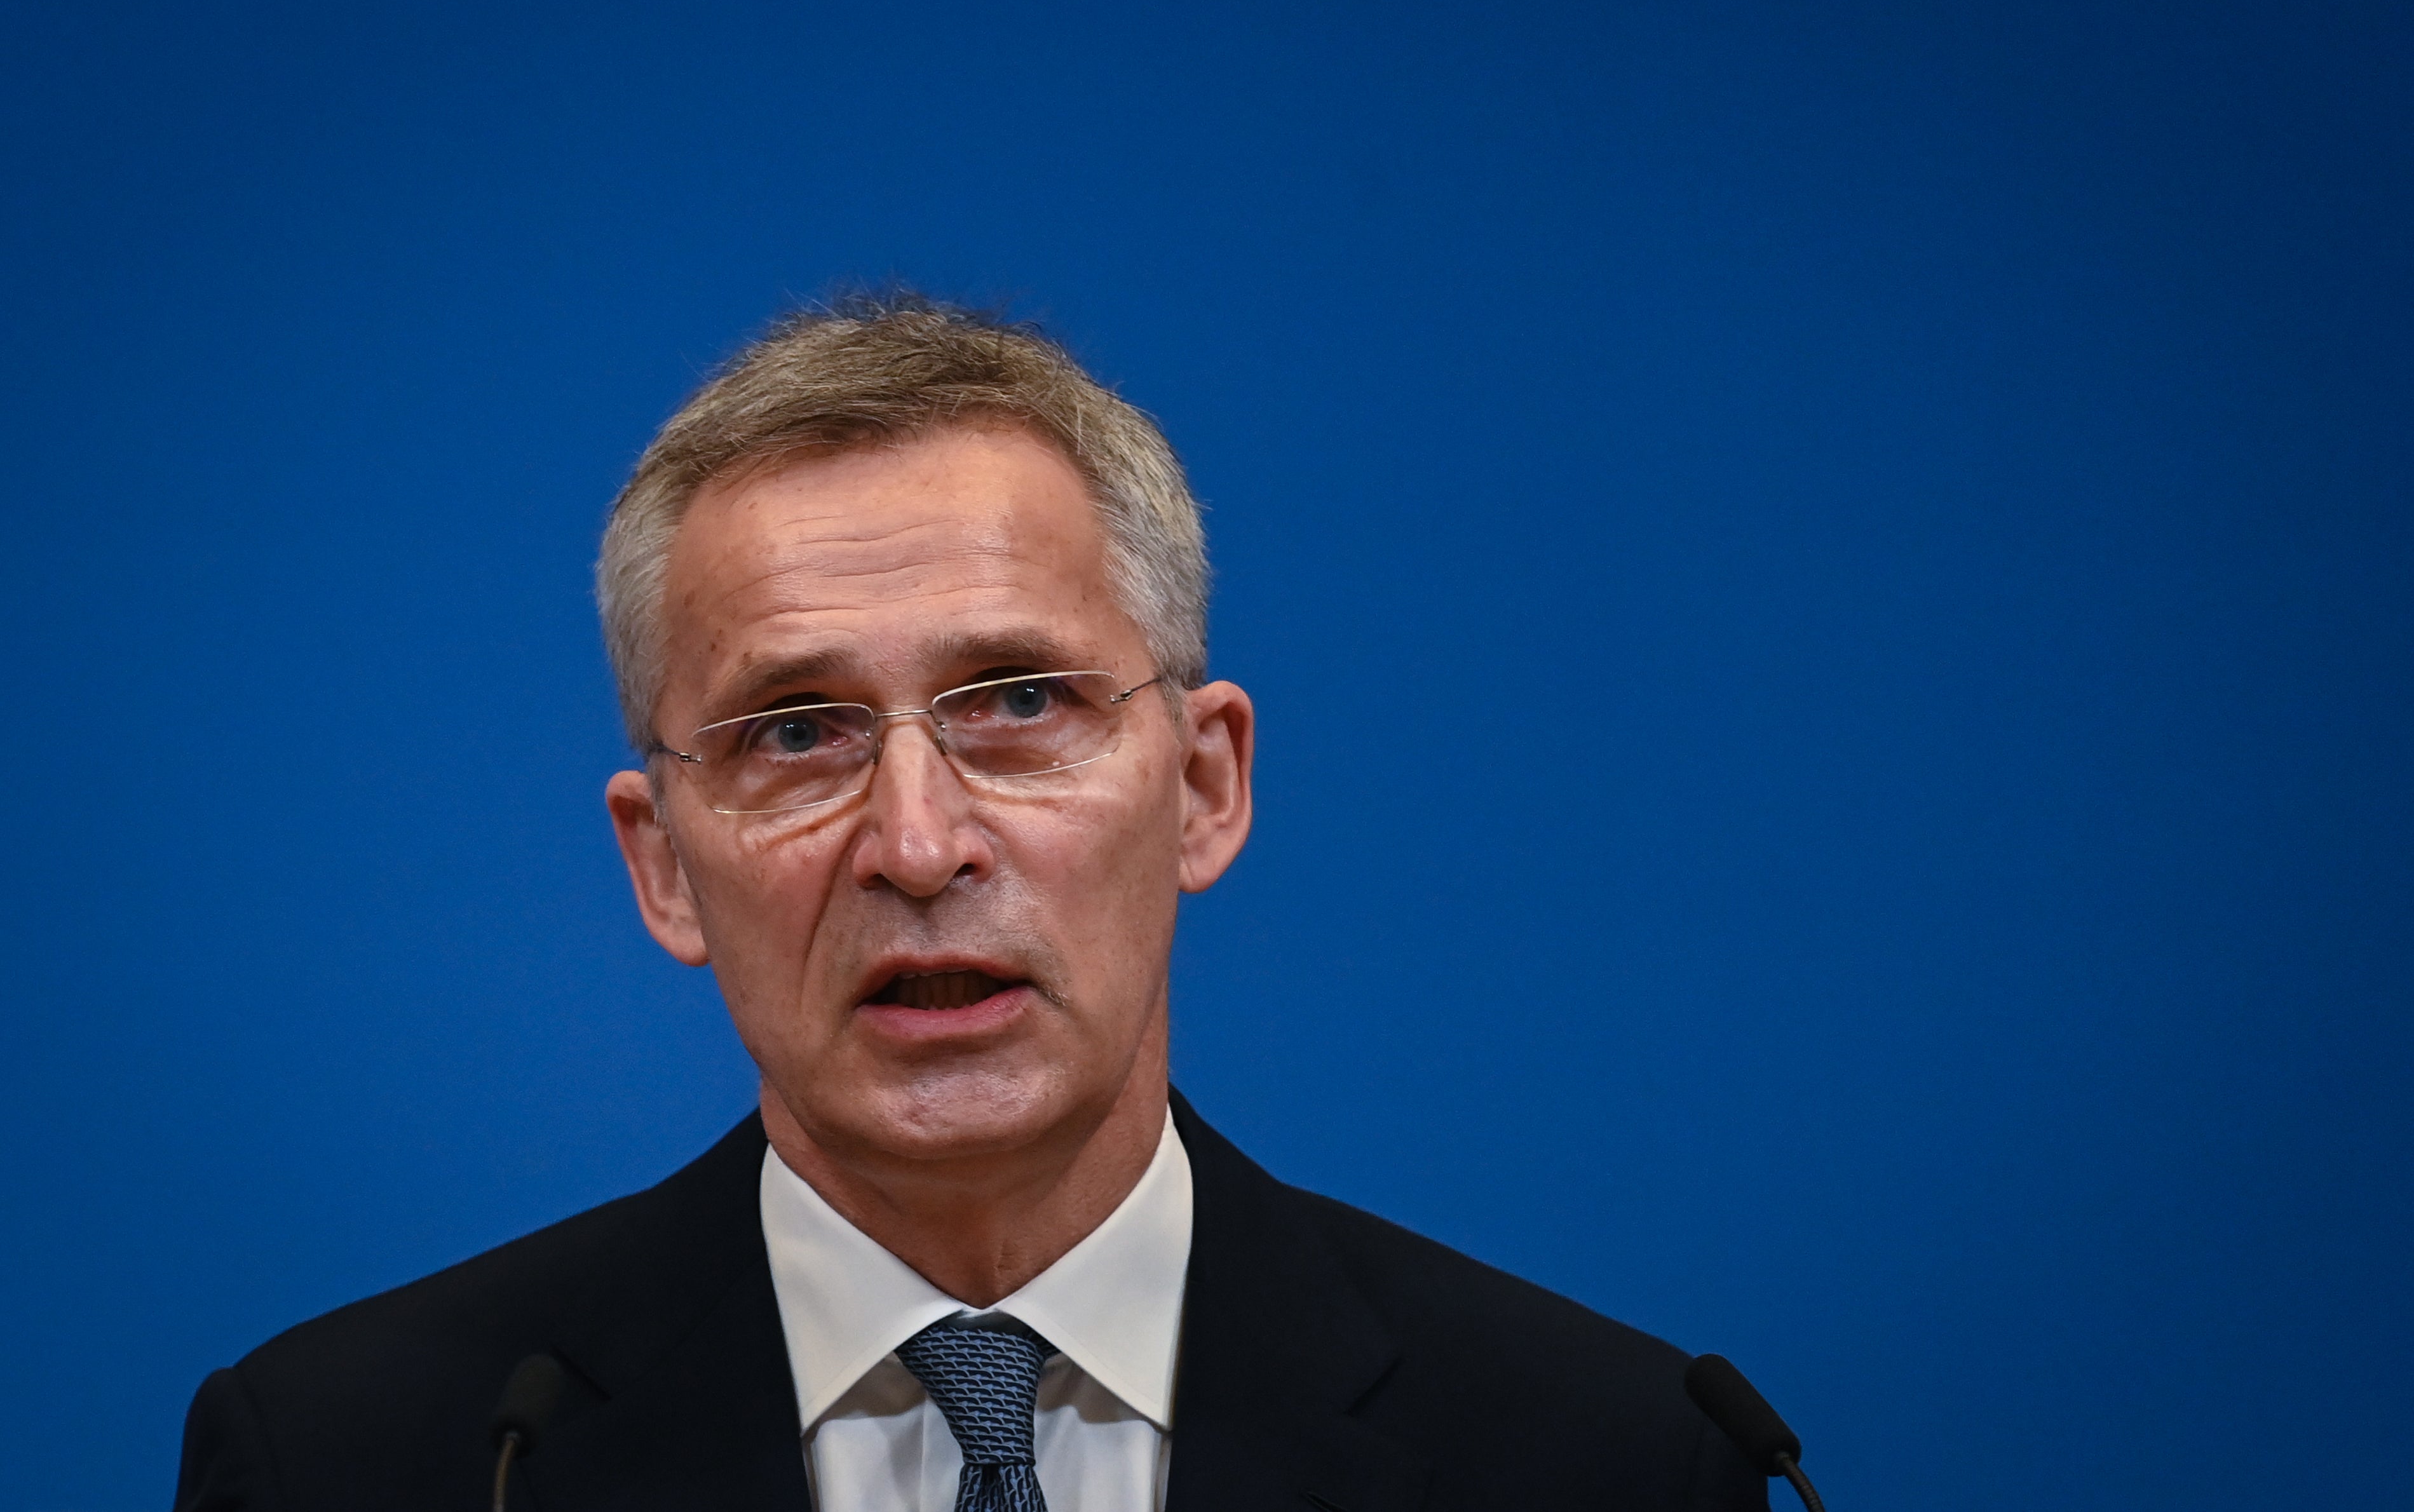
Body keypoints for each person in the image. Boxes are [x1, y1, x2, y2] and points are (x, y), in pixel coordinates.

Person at [173, 298, 1767, 1511]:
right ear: (663, 861)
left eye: (1016, 700)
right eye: (795, 733)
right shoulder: (357, 1460)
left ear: (1204, 784)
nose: (918, 843)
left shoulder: (1604, 1460)